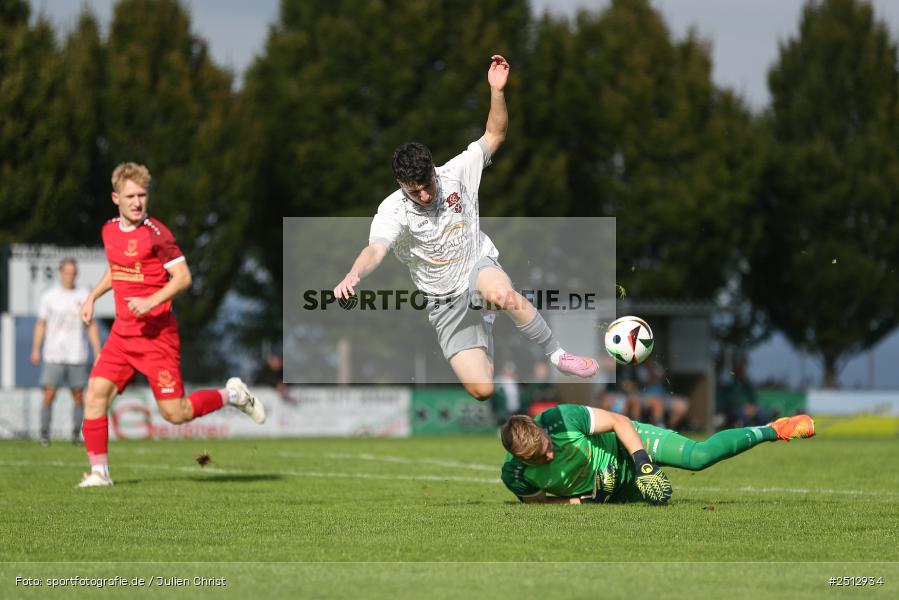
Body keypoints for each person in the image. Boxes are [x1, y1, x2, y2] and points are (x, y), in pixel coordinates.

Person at [333, 55, 598, 401]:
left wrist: (497, 92)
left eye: (427, 184)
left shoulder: (457, 172)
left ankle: (557, 354)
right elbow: (375, 250)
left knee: (500, 293)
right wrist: (354, 274)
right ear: (401, 185)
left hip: (477, 266)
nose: (425, 195)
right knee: (482, 390)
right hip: (443, 302)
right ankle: (484, 321)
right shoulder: (392, 210)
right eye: (415, 191)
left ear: (433, 169)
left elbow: (495, 134)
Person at [76, 162, 266, 488]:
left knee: (176, 414)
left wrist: (151, 302)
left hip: (156, 337)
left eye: (142, 195)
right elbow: (117, 268)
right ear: (115, 198)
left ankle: (233, 395)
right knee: (95, 395)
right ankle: (99, 474)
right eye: (130, 196)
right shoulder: (109, 230)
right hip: (123, 335)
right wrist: (93, 296)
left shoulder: (157, 235)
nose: (137, 202)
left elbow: (183, 277)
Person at [500, 403, 815, 504]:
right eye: (539, 458)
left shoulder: (561, 419)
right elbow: (541, 505)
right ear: (521, 459)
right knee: (658, 504)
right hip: (611, 492)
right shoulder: (514, 475)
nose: (549, 457)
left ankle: (774, 430)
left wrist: (642, 462)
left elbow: (619, 421)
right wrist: (587, 500)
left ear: (542, 430)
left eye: (548, 447)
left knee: (699, 457)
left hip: (627, 445)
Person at [30, 258, 102, 446]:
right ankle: (44, 434)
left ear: (76, 274)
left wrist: (97, 350)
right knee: (49, 393)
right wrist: (36, 349)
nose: (70, 275)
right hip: (53, 354)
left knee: (78, 395)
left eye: (73, 272)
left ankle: (76, 434)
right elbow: (41, 324)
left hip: (76, 354)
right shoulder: (49, 296)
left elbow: (91, 325)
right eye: (67, 272)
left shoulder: (84, 295)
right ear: (61, 273)